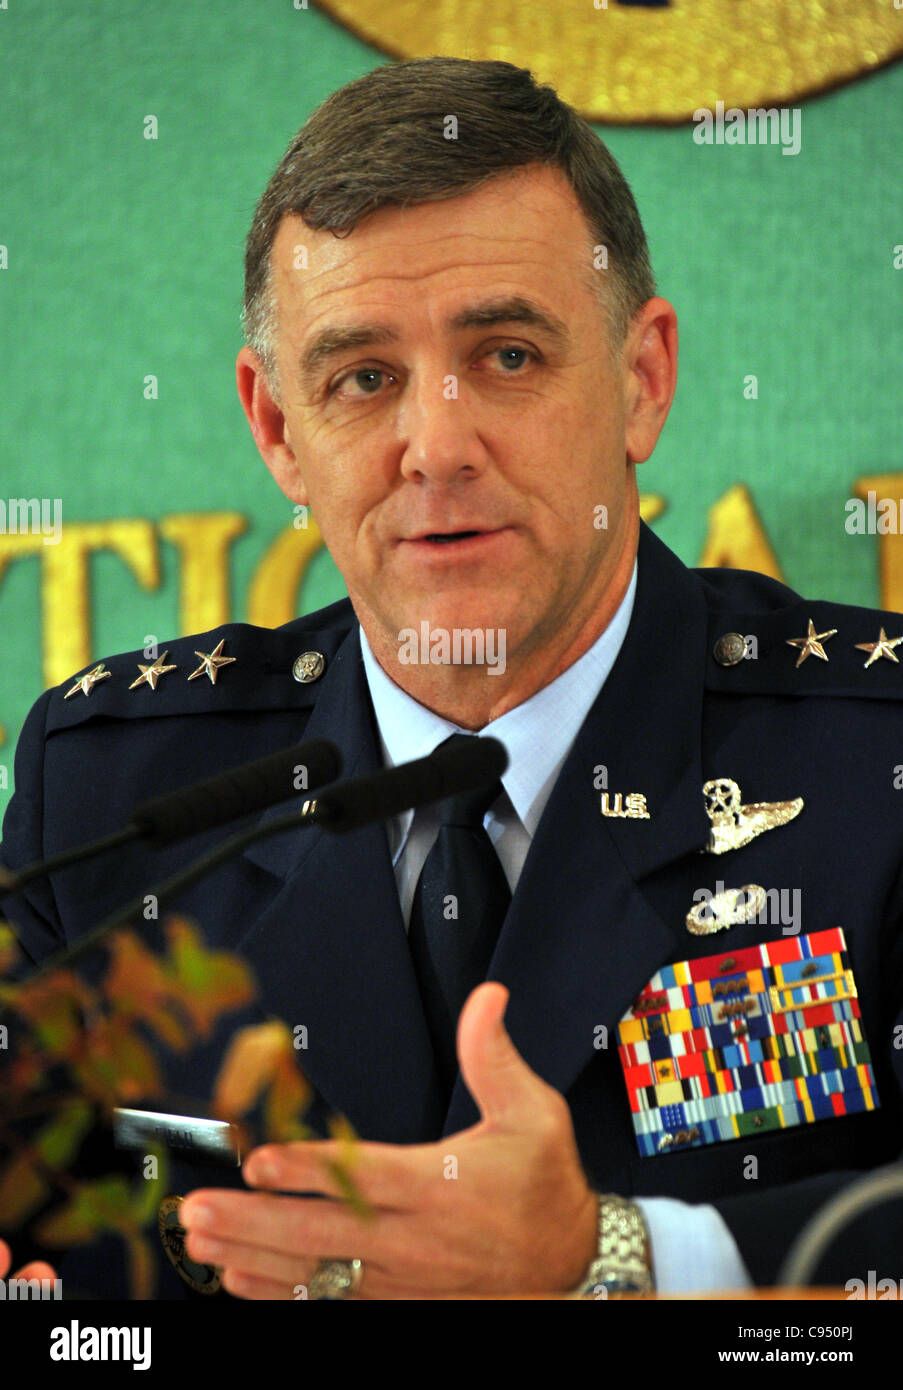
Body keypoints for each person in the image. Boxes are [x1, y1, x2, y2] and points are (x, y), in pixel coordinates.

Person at [2, 56, 901, 1301]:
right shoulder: (113, 796)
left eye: (510, 356)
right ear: (278, 432)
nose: (438, 446)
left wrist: (614, 1263)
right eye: (364, 379)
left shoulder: (875, 761)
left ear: (641, 381)